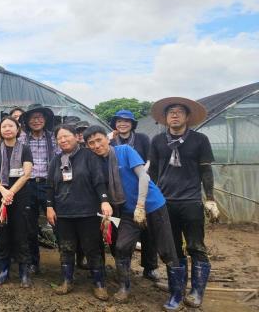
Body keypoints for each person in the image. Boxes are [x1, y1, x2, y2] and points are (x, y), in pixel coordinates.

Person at [84, 125, 185, 309]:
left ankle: (176, 293)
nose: (96, 145)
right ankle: (124, 286)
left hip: (153, 205)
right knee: (122, 246)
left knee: (166, 249)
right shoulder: (97, 162)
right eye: (91, 143)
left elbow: (143, 177)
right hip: (128, 211)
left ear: (108, 138)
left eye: (99, 140)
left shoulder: (124, 151)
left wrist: (141, 205)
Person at [148, 97, 219, 309]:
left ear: (187, 117)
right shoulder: (158, 141)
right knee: (173, 249)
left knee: (196, 247)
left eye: (179, 111)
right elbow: (151, 173)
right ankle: (176, 294)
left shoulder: (200, 140)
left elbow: (206, 170)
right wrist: (148, 201)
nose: (175, 115)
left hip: (191, 202)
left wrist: (211, 199)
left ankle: (197, 292)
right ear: (165, 118)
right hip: (165, 203)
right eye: (171, 112)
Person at [45, 124, 112, 300]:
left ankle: (99, 284)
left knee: (92, 249)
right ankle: (67, 281)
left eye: (66, 136)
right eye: (59, 138)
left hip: (88, 212)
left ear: (76, 137)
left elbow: (98, 181)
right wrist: (49, 206)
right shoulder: (56, 160)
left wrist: (104, 200)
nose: (63, 140)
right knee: (66, 248)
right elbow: (50, 186)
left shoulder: (89, 156)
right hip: (64, 213)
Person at [109, 109, 159, 281]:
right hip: (120, 192)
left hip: (142, 187)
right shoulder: (111, 142)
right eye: (119, 121)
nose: (122, 124)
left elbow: (151, 159)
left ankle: (150, 267)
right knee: (121, 230)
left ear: (132, 124)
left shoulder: (142, 139)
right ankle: (124, 266)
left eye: (127, 121)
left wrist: (144, 173)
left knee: (147, 231)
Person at [0, 116, 34, 287]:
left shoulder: (25, 149)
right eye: (3, 126)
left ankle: (24, 272)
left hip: (19, 196)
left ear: (17, 129)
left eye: (10, 126)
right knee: (2, 234)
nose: (7, 129)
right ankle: (4, 270)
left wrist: (11, 192)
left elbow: (27, 174)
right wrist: (3, 190)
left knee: (21, 233)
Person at [18, 103, 59, 275]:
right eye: (33, 118)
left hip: (49, 185)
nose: (36, 121)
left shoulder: (53, 138)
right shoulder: (21, 139)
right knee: (29, 226)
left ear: (46, 119)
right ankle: (33, 262)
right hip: (27, 185)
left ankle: (66, 262)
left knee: (57, 222)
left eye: (40, 117)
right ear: (27, 121)